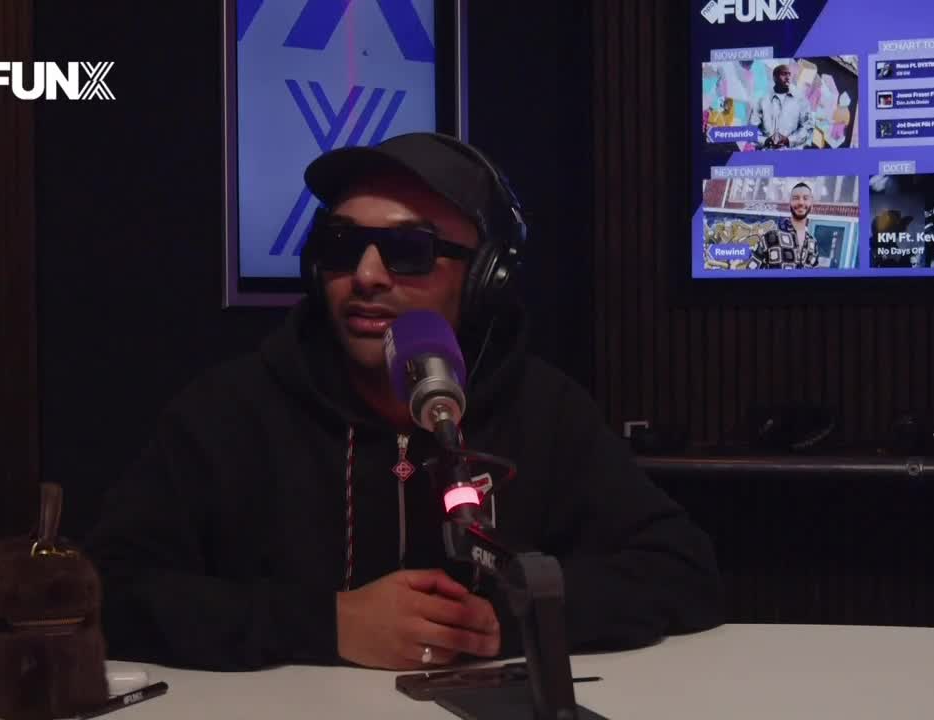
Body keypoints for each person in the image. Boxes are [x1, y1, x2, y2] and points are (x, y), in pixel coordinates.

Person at [85, 132, 724, 672]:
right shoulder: (229, 411)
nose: (366, 275)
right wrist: (326, 624)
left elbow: (682, 572)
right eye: (342, 245)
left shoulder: (545, 410)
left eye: (409, 251)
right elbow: (110, 591)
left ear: (486, 278)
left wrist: (504, 618)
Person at [749, 182, 819, 269]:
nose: (801, 202)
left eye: (806, 198)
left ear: (811, 205)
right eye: (796, 198)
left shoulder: (813, 243)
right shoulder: (770, 237)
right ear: (790, 203)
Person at [749, 64, 814, 150]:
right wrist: (765, 141)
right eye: (784, 74)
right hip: (767, 154)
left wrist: (789, 140)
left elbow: (808, 128)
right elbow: (751, 130)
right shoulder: (762, 101)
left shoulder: (800, 100)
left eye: (789, 74)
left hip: (792, 155)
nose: (787, 77)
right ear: (774, 77)